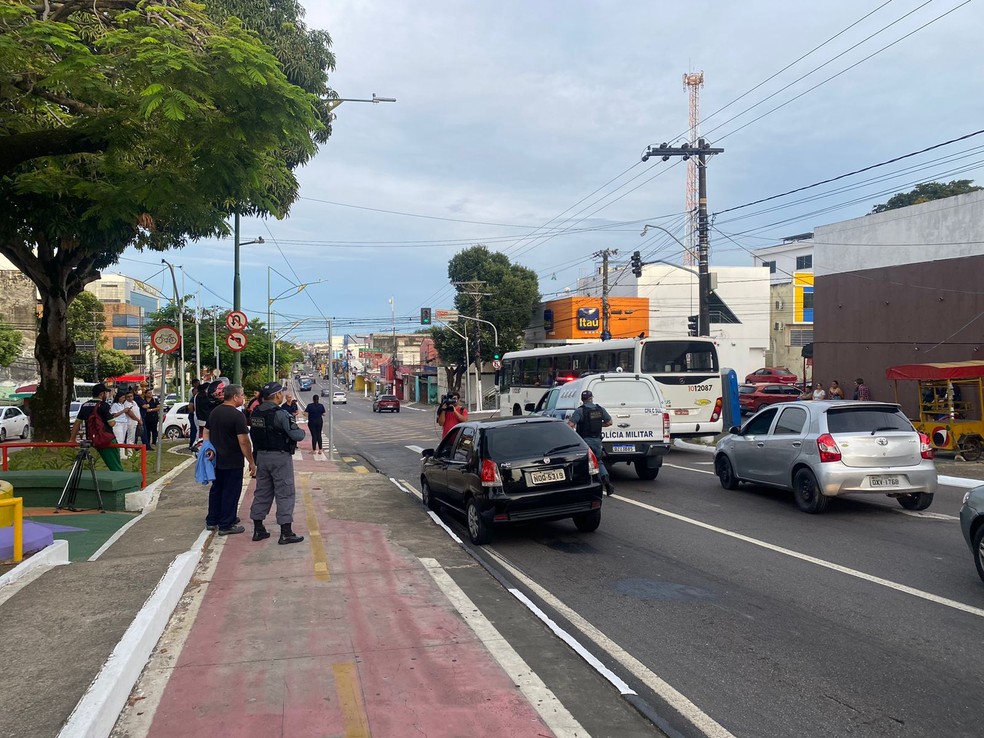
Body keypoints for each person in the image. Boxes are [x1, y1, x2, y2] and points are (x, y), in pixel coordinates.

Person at [249, 382, 306, 544]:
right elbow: (298, 435)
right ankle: (286, 532)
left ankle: (258, 529)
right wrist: (300, 430)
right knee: (285, 492)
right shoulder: (281, 414)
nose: (282, 395)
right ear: (276, 395)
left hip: (261, 457)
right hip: (279, 457)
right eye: (281, 393)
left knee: (262, 492)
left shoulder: (256, 412)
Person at [204, 384, 255, 535]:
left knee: (217, 489)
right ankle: (226, 523)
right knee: (231, 492)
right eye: (242, 395)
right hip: (232, 459)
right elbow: (244, 441)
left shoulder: (215, 412)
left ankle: (212, 520)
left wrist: (208, 448)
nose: (243, 398)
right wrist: (251, 461)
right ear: (235, 397)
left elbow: (206, 432)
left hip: (217, 459)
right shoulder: (237, 415)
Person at [568, 390, 614, 496]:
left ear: (582, 400)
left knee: (584, 463)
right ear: (591, 398)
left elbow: (571, 424)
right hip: (597, 441)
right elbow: (609, 422)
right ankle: (606, 480)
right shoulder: (600, 409)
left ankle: (585, 486)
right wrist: (598, 425)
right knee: (598, 461)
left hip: (585, 441)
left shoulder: (580, 411)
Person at [70, 383, 124, 472]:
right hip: (105, 439)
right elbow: (112, 424)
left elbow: (77, 423)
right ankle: (121, 481)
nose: (106, 395)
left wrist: (72, 439)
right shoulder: (104, 405)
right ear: (101, 394)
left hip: (91, 438)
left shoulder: (85, 405)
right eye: (105, 393)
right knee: (115, 466)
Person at [110, 391, 132, 457]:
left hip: (124, 423)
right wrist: (123, 411)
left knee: (122, 439)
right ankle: (120, 454)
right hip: (118, 423)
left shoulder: (122, 405)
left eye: (124, 398)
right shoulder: (115, 405)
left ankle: (122, 454)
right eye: (122, 397)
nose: (123, 399)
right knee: (119, 439)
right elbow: (114, 415)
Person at [186, 379, 200, 450]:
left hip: (194, 414)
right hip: (193, 415)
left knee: (196, 430)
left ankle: (194, 443)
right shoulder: (193, 396)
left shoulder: (195, 396)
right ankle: (192, 444)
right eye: (197, 383)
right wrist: (193, 412)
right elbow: (190, 406)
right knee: (195, 430)